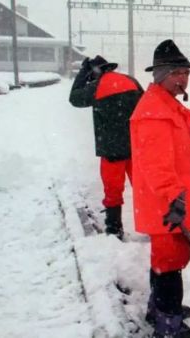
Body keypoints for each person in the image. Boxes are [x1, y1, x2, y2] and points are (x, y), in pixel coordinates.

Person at [130, 39, 190, 338]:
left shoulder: (164, 105)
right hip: (166, 204)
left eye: (186, 73)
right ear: (160, 76)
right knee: (170, 265)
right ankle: (169, 325)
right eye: (176, 73)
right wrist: (174, 199)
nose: (183, 79)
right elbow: (156, 164)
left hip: (168, 201)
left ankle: (159, 309)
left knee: (167, 260)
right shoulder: (155, 111)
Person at [69, 55, 143, 240]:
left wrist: (82, 74)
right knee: (143, 187)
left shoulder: (97, 86)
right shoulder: (131, 81)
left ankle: (114, 228)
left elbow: (74, 98)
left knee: (113, 190)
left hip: (112, 149)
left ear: (94, 73)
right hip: (136, 146)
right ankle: (156, 222)